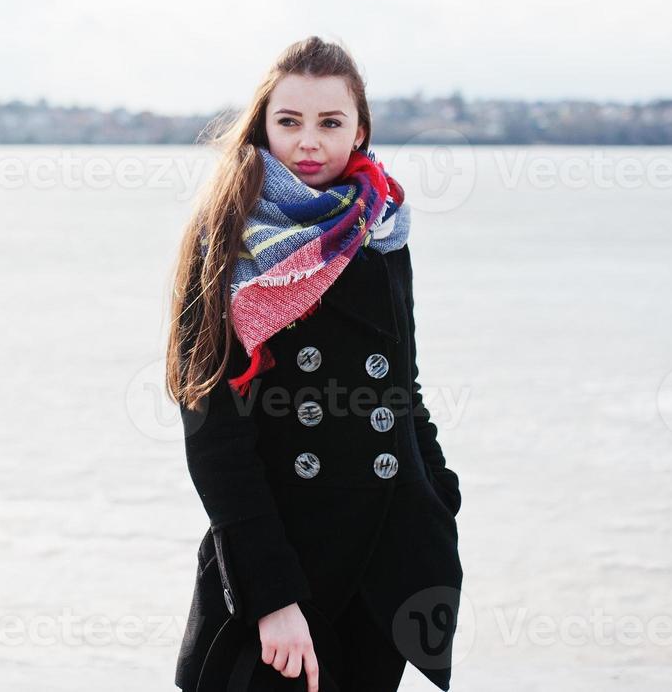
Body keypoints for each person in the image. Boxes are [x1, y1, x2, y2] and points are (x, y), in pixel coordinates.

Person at [166, 36, 464, 692]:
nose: (309, 141)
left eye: (330, 122)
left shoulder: (381, 231)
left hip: (383, 560)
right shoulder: (227, 243)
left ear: (360, 128)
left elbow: (402, 387)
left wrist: (437, 493)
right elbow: (214, 439)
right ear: (263, 125)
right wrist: (271, 599)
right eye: (289, 121)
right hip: (281, 567)